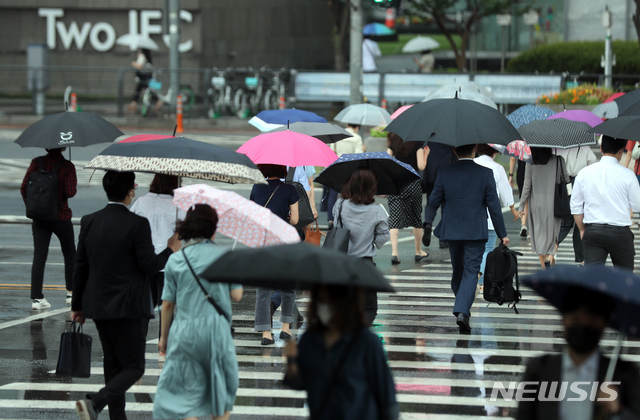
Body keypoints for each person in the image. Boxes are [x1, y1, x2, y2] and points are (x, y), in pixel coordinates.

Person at [72, 171, 181, 420]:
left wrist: (77, 305)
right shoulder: (136, 224)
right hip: (130, 307)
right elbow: (150, 265)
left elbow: (81, 266)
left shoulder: (89, 221)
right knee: (133, 367)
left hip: (99, 305)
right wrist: (170, 249)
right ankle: (95, 402)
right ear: (131, 191)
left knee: (113, 365)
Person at [153, 204, 243, 420]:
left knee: (186, 395)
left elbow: (167, 304)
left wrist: (164, 338)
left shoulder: (176, 259)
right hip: (217, 332)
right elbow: (237, 295)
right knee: (220, 389)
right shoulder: (224, 257)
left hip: (185, 332)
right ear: (214, 228)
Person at [516, 286, 640, 420]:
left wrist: (616, 412)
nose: (583, 325)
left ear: (604, 323)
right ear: (563, 321)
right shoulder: (539, 370)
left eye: (591, 320)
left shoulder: (624, 374)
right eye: (575, 319)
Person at [282, 284, 399, 420]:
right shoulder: (310, 340)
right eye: (320, 300)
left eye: (329, 300)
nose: (324, 306)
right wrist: (291, 360)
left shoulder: (367, 343)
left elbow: (386, 395)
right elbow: (299, 383)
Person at [427, 143, 508, 333]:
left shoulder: (445, 173)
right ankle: (463, 309)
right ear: (475, 150)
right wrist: (502, 234)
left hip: (452, 231)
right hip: (475, 231)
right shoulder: (485, 174)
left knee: (458, 271)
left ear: (454, 150)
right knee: (471, 272)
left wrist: (427, 223)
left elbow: (433, 202)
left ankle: (462, 307)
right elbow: (494, 207)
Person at [130, 174, 185, 343]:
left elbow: (130, 226)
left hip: (143, 264)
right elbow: (186, 233)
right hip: (167, 265)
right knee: (166, 308)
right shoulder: (177, 206)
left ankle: (137, 342)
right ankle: (165, 346)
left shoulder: (141, 202)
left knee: (143, 308)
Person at [571, 136, 640, 271]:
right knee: (624, 279)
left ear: (601, 148)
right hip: (620, 233)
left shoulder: (584, 173)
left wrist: (582, 230)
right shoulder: (628, 175)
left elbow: (576, 206)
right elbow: (637, 205)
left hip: (593, 231)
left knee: (593, 280)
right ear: (621, 151)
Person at [20, 147, 77, 310]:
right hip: (61, 216)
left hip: (39, 217)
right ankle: (71, 294)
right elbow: (70, 192)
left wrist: (34, 207)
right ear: (64, 147)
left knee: (39, 255)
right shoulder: (67, 166)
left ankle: (37, 298)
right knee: (69, 253)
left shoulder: (36, 162)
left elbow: (24, 188)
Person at [250, 164, 300, 345]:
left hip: (263, 243)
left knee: (263, 290)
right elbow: (295, 219)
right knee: (288, 287)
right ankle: (285, 329)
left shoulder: (257, 187)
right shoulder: (290, 189)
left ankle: (266, 333)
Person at [332, 168, 389, 326]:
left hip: (343, 262)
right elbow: (382, 239)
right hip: (365, 264)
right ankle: (358, 333)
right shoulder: (377, 211)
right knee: (369, 308)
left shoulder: (341, 204)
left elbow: (337, 227)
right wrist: (370, 237)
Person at [474, 144, 518, 291]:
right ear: (494, 151)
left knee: (473, 249)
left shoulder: (472, 164)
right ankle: (481, 282)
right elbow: (506, 194)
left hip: (472, 216)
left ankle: (472, 277)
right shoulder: (497, 168)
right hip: (491, 218)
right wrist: (513, 210)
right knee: (488, 249)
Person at [518, 147, 570, 269]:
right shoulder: (559, 160)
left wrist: (521, 206)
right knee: (553, 236)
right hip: (555, 205)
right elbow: (566, 180)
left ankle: (545, 269)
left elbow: (526, 186)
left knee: (540, 238)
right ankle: (551, 257)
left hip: (536, 205)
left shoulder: (530, 163)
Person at [386, 133, 429, 264]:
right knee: (416, 216)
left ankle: (394, 253)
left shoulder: (394, 141)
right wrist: (426, 154)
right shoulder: (418, 142)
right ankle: (418, 251)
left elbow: (387, 160)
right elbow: (421, 166)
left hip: (396, 183)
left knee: (394, 217)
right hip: (412, 183)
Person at [554, 146, 597, 265]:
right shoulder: (586, 149)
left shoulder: (564, 148)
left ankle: (553, 244)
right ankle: (580, 258)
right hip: (582, 183)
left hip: (566, 184)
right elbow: (593, 163)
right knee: (580, 224)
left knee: (565, 222)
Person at [326, 124, 365, 228]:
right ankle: (349, 218)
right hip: (350, 168)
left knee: (333, 193)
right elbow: (358, 155)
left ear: (347, 125)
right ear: (357, 127)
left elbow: (332, 151)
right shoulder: (357, 138)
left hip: (337, 165)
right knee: (351, 193)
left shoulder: (338, 135)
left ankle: (331, 219)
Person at [422, 142, 458, 249]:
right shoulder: (450, 137)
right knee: (446, 206)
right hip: (448, 173)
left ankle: (428, 223)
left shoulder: (430, 136)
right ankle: (443, 240)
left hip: (431, 174)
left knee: (431, 202)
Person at [127, 48, 154, 113]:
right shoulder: (147, 56)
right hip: (145, 75)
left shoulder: (142, 56)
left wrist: (134, 63)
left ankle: (158, 100)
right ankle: (134, 103)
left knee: (145, 88)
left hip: (143, 76)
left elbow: (140, 66)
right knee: (140, 88)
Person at [509, 157, 529, 237]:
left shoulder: (519, 144)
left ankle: (523, 224)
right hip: (535, 171)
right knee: (533, 200)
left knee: (524, 199)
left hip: (521, 172)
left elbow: (513, 159)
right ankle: (532, 230)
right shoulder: (536, 144)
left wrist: (511, 175)